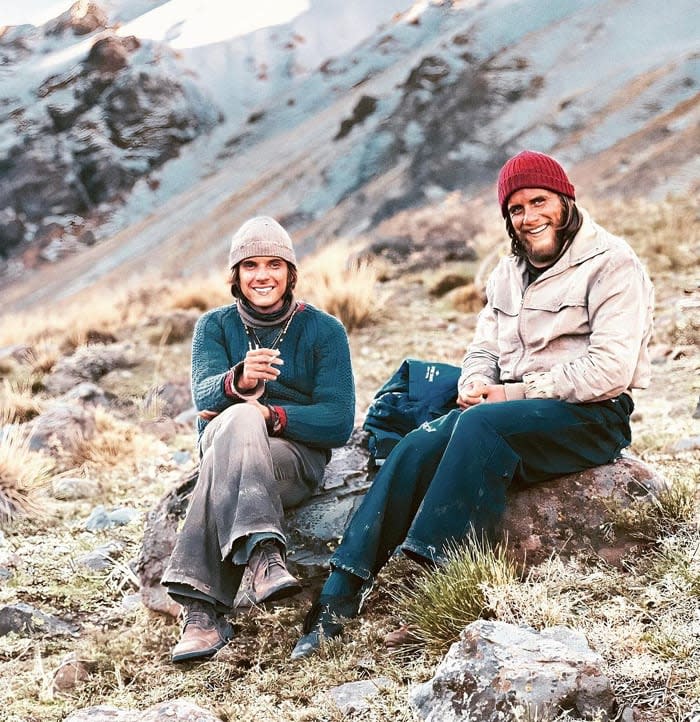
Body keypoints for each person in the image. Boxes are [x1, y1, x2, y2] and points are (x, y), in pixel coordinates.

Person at [291, 150, 654, 659]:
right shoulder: (506, 273)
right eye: (516, 209)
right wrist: (478, 379)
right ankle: (339, 593)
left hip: (590, 416)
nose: (529, 218)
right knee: (419, 443)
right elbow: (485, 346)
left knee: (480, 428)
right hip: (509, 412)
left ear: (566, 199)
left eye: (539, 201)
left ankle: (435, 586)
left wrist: (511, 393)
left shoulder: (613, 264)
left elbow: (610, 369)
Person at [163, 215, 355, 663]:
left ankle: (200, 612)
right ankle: (264, 554)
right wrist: (237, 380)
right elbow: (203, 396)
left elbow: (337, 420)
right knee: (237, 421)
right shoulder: (214, 327)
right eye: (251, 266)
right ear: (236, 276)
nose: (263, 275)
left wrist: (268, 413)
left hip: (291, 463)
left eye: (274, 264)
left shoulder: (325, 331)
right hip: (226, 450)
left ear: (291, 273)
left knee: (242, 419)